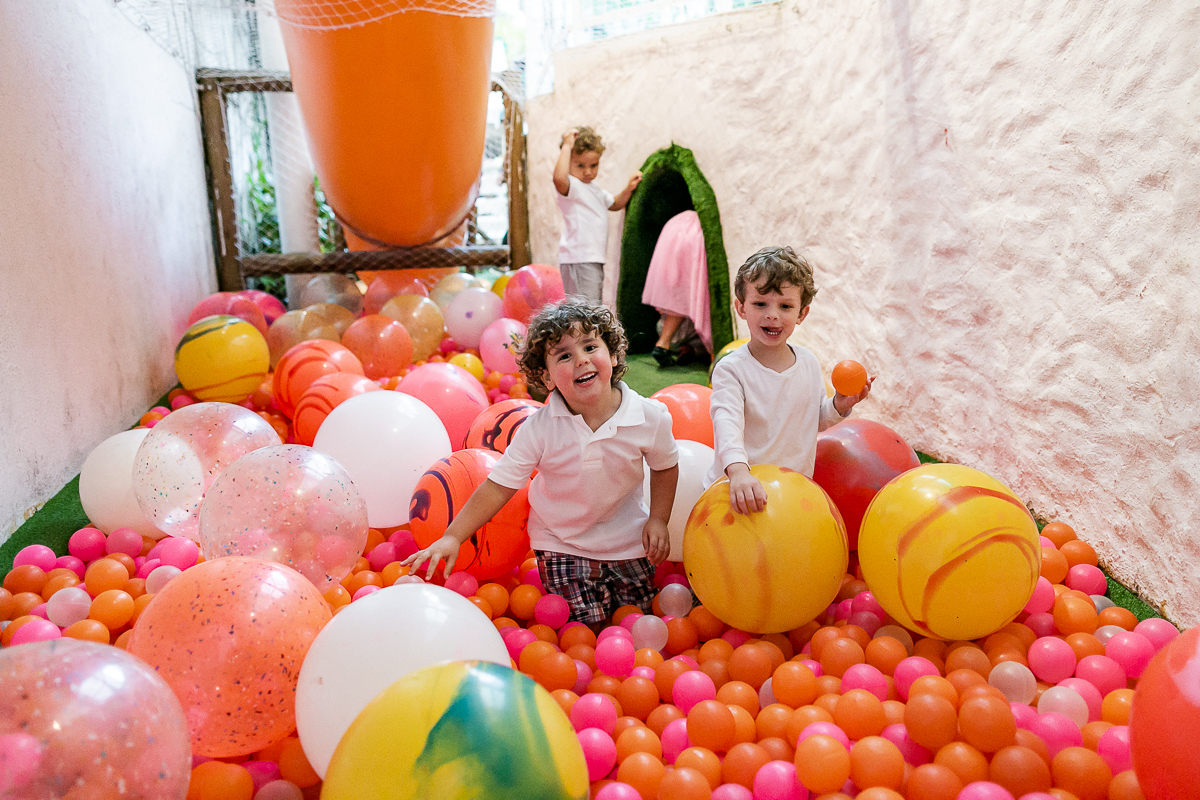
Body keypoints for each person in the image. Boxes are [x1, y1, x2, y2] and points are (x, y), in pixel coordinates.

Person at [403, 299, 680, 630]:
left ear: (614, 355)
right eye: (564, 355)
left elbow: (665, 466)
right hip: (561, 542)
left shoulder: (649, 416)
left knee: (637, 620)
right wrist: (453, 536)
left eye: (590, 346)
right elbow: (497, 486)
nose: (581, 360)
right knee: (588, 629)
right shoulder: (540, 428)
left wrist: (659, 520)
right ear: (547, 378)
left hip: (628, 540)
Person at [708, 246, 874, 513]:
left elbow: (815, 420)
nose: (772, 314)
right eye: (760, 304)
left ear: (801, 314)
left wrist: (840, 405)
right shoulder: (731, 370)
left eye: (785, 306)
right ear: (741, 308)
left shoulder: (807, 362)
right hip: (739, 492)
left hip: (791, 492)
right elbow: (727, 425)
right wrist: (738, 472)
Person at [553, 127, 642, 305]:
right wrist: (566, 146)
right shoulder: (572, 186)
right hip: (579, 258)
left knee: (591, 309)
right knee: (586, 312)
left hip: (593, 258)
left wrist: (628, 189)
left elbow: (614, 204)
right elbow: (558, 179)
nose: (588, 172)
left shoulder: (594, 189)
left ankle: (587, 333)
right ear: (568, 162)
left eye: (593, 166)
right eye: (580, 165)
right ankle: (585, 334)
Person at [641, 209, 712, 367]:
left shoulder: (675, 227)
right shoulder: (693, 230)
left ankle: (672, 346)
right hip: (686, 333)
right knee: (704, 332)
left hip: (664, 329)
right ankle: (689, 349)